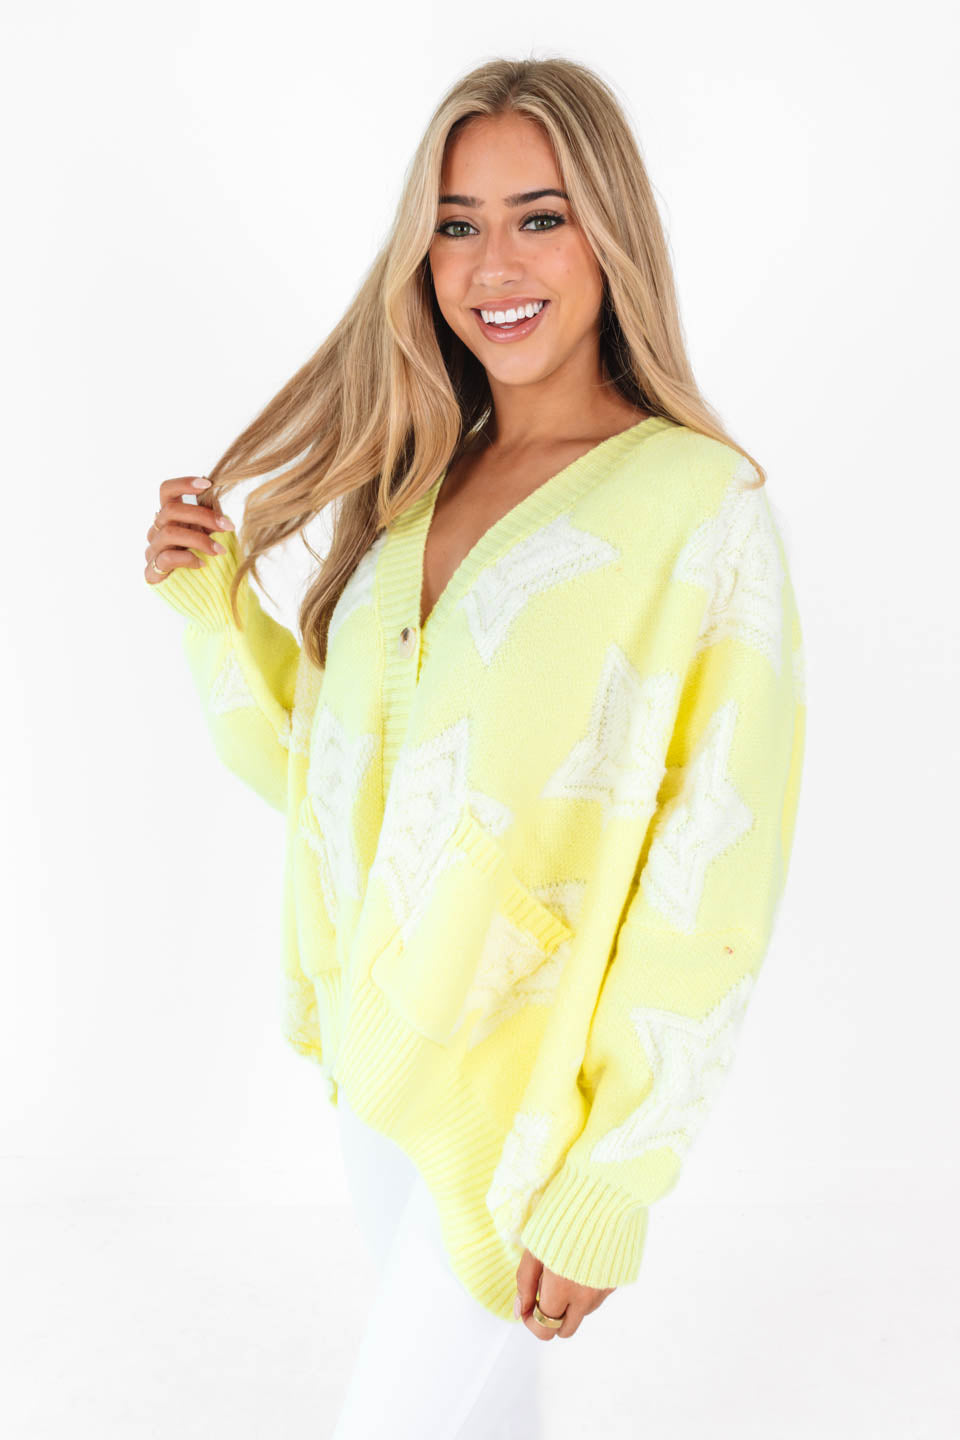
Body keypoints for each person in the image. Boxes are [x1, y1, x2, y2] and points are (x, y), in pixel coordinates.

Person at [143, 56, 806, 1438]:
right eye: (455, 224)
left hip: (530, 1114)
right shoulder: (413, 490)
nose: (492, 264)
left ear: (611, 234)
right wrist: (217, 613)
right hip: (383, 1081)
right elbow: (334, 788)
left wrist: (613, 1174)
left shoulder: (701, 510)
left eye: (539, 217)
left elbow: (714, 877)